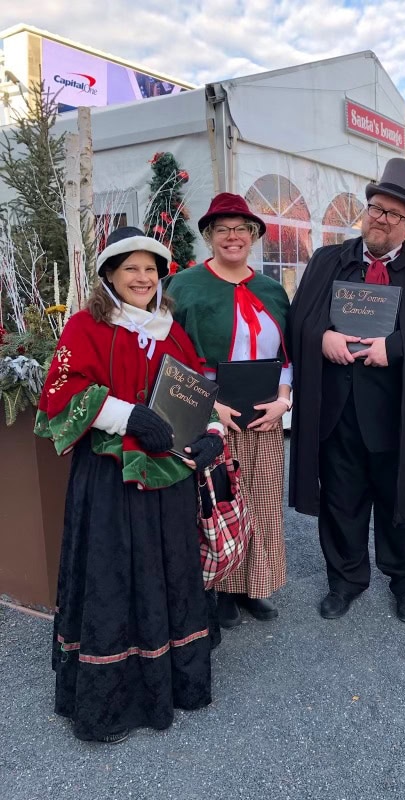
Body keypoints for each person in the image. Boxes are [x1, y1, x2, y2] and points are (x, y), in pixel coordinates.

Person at [34, 226, 224, 742]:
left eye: (150, 269)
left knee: (167, 571)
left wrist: (211, 433)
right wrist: (126, 415)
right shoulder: (84, 327)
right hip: (111, 480)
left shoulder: (172, 329)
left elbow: (196, 387)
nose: (142, 278)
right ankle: (112, 701)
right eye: (130, 269)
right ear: (110, 276)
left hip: (167, 478)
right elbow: (60, 391)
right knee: (115, 575)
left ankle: (173, 682)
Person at [289, 157, 405, 624]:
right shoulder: (328, 261)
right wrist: (321, 335)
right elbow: (300, 318)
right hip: (339, 408)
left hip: (397, 412)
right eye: (375, 208)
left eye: (392, 214)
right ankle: (345, 581)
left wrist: (396, 347)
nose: (380, 218)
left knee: (398, 503)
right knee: (341, 500)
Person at [166, 193, 292, 628]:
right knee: (216, 502)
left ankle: (253, 587)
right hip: (210, 414)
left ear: (254, 236)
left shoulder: (272, 290)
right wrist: (208, 405)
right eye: (223, 229)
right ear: (209, 237)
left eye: (242, 229)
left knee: (261, 500)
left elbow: (288, 357)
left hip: (264, 416)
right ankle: (218, 589)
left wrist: (283, 401)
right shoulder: (184, 286)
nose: (233, 237)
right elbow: (170, 356)